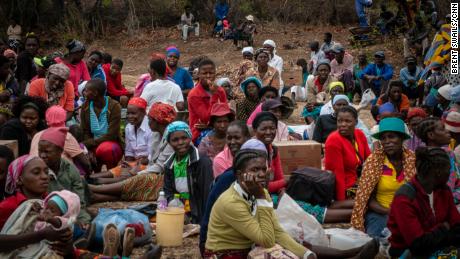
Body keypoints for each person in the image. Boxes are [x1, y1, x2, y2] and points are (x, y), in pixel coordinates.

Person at [205, 146, 379, 259]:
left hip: (249, 246)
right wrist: (260, 197)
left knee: (294, 242)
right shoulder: (231, 202)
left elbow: (277, 231)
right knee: (277, 255)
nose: (260, 174)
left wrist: (307, 255)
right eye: (254, 170)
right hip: (226, 254)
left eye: (263, 169)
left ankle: (346, 255)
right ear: (239, 174)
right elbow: (267, 239)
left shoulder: (260, 192)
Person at [89, 102, 176, 202]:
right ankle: (94, 187)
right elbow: (152, 161)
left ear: (158, 121)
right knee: (129, 172)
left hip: (168, 178)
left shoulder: (172, 138)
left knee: (140, 179)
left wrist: (137, 172)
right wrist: (134, 167)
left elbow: (160, 167)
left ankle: (94, 188)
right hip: (152, 169)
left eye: (150, 120)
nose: (148, 122)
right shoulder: (156, 135)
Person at [387, 147, 460, 257]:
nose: (450, 173)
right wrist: (444, 227)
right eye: (448, 169)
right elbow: (417, 244)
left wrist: (434, 234)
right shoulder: (404, 198)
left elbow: (457, 225)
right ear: (438, 172)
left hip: (437, 246)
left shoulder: (443, 191)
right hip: (406, 251)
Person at [351, 117, 415, 238]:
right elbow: (368, 198)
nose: (387, 142)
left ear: (401, 138)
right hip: (381, 212)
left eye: (391, 137)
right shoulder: (374, 161)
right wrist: (390, 211)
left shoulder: (413, 160)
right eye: (383, 138)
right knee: (377, 239)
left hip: (409, 211)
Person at [0, 155, 74, 255]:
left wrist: (67, 245)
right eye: (36, 172)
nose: (44, 176)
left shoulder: (51, 203)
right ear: (19, 179)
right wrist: (40, 235)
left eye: (46, 172)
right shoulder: (8, 206)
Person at [38, 127, 91, 227]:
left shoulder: (69, 168)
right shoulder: (37, 169)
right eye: (40, 151)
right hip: (47, 213)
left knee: (84, 222)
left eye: (47, 152)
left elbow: (79, 202)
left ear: (60, 151)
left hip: (69, 209)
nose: (42, 155)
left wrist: (80, 220)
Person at [164, 121, 213, 224]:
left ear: (190, 138)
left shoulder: (202, 162)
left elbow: (206, 195)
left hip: (199, 211)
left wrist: (204, 222)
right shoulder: (169, 165)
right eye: (175, 140)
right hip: (180, 210)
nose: (180, 142)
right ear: (169, 142)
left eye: (184, 138)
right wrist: (176, 208)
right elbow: (168, 192)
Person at [325, 106, 371, 200]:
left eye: (348, 121)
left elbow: (370, 160)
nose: (343, 124)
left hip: (360, 182)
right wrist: (341, 201)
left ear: (356, 122)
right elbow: (337, 175)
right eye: (340, 121)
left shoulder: (359, 134)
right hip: (346, 187)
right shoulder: (334, 140)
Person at [30, 105, 91, 175]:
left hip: (36, 174)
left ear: (47, 120)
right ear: (64, 118)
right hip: (60, 176)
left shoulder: (37, 135)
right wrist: (89, 175)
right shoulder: (65, 135)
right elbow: (85, 162)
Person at [80, 79, 123, 169]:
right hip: (93, 144)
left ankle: (111, 172)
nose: (84, 93)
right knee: (80, 150)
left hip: (111, 144)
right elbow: (85, 130)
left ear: (95, 93)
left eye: (87, 90)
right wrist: (89, 150)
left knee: (105, 150)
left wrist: (88, 144)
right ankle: (93, 174)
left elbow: (111, 135)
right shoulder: (85, 106)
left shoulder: (114, 106)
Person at [416, 117, 460, 204]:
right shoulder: (426, 157)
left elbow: (456, 178)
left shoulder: (449, 153)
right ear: (431, 135)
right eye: (442, 129)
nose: (447, 131)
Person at [188, 59, 228, 143]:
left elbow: (225, 113)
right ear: (199, 74)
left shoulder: (220, 90)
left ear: (215, 74)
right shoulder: (194, 94)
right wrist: (214, 95)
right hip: (199, 133)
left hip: (219, 127)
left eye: (211, 73)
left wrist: (209, 126)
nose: (208, 76)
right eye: (204, 73)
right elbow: (206, 118)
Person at [252, 112, 286, 193]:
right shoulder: (251, 151)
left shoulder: (273, 150)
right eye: (263, 129)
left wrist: (282, 190)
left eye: (272, 128)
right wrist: (287, 181)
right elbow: (260, 186)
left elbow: (279, 177)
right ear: (255, 130)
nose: (268, 132)